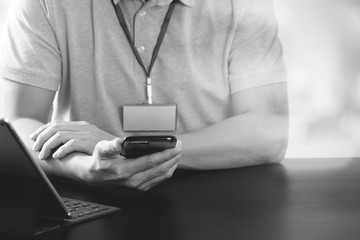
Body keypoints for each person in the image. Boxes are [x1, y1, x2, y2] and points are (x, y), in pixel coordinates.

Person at [1, 0, 288, 191]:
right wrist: (83, 167)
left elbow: (269, 132)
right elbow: (17, 124)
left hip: (217, 190)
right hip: (90, 193)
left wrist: (128, 148)